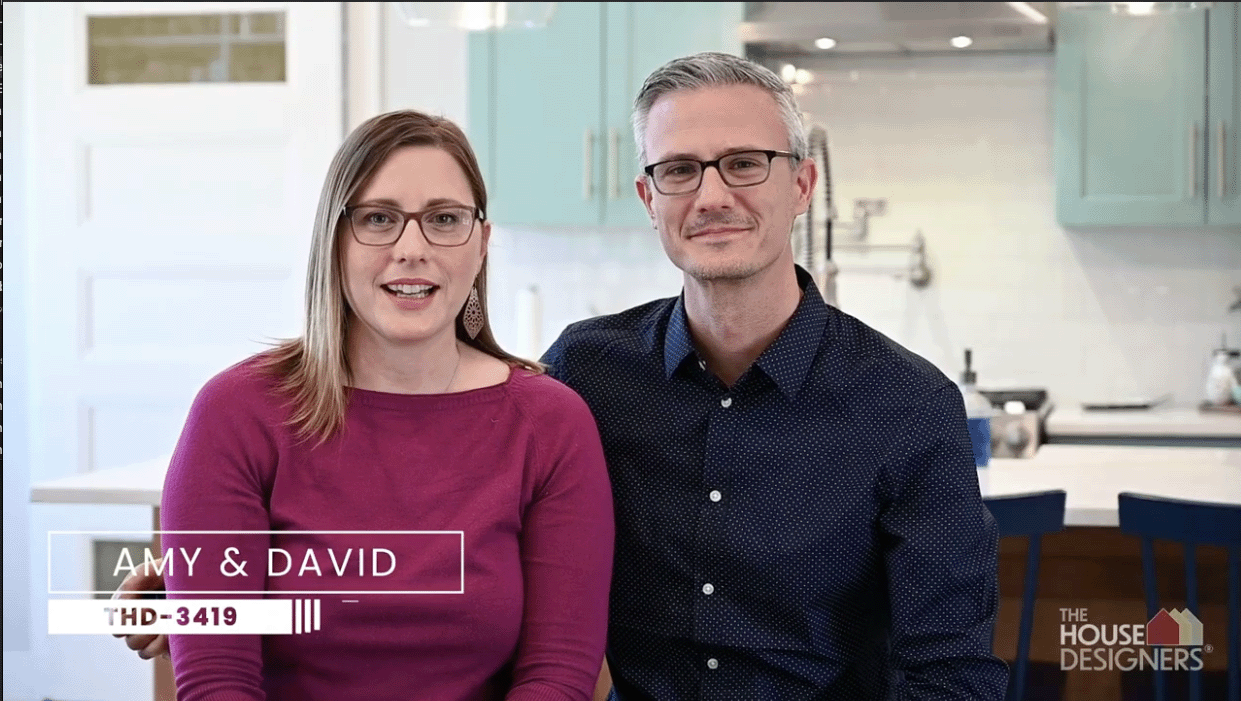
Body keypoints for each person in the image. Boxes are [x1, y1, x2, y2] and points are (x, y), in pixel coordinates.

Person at [119, 54, 1008, 699]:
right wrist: (199, 578)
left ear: (801, 185)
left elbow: (951, 672)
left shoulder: (906, 406)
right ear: (647, 197)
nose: (711, 194)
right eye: (679, 169)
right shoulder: (587, 374)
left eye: (744, 163)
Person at [126, 109, 615, 701]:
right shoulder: (237, 414)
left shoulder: (550, 423)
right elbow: (217, 678)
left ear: (482, 243)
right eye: (379, 219)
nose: (412, 248)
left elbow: (558, 671)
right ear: (334, 241)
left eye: (444, 219)